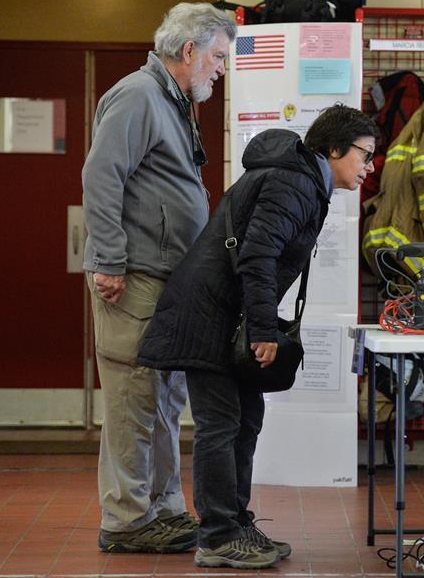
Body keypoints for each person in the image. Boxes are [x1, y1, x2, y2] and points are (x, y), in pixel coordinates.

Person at [137, 105, 379, 569]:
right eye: (364, 155)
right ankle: (217, 536)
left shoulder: (304, 180)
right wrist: (266, 330)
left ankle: (235, 522)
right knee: (221, 424)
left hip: (226, 315)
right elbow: (259, 257)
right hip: (208, 316)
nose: (368, 168)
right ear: (333, 150)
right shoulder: (294, 182)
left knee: (245, 420)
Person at [82, 3, 235, 553]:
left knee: (164, 399)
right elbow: (101, 178)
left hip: (166, 280)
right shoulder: (138, 95)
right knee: (132, 399)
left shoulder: (172, 102)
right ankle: (126, 520)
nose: (222, 68)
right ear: (189, 51)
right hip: (135, 277)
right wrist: (108, 260)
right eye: (218, 56)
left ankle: (164, 508)